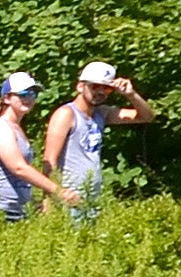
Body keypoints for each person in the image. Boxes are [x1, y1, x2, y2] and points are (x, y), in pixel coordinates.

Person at [43, 59, 146, 214]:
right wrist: (49, 198)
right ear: (80, 86)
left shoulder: (101, 113)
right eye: (95, 86)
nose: (100, 92)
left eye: (106, 88)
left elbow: (146, 116)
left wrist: (131, 94)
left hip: (92, 197)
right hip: (68, 198)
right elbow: (49, 161)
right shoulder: (66, 114)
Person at [0, 71, 48, 220]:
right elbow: (18, 168)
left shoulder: (15, 127)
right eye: (23, 94)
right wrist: (58, 191)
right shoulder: (0, 128)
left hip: (16, 208)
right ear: (7, 98)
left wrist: (32, 202)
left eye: (33, 94)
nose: (28, 98)